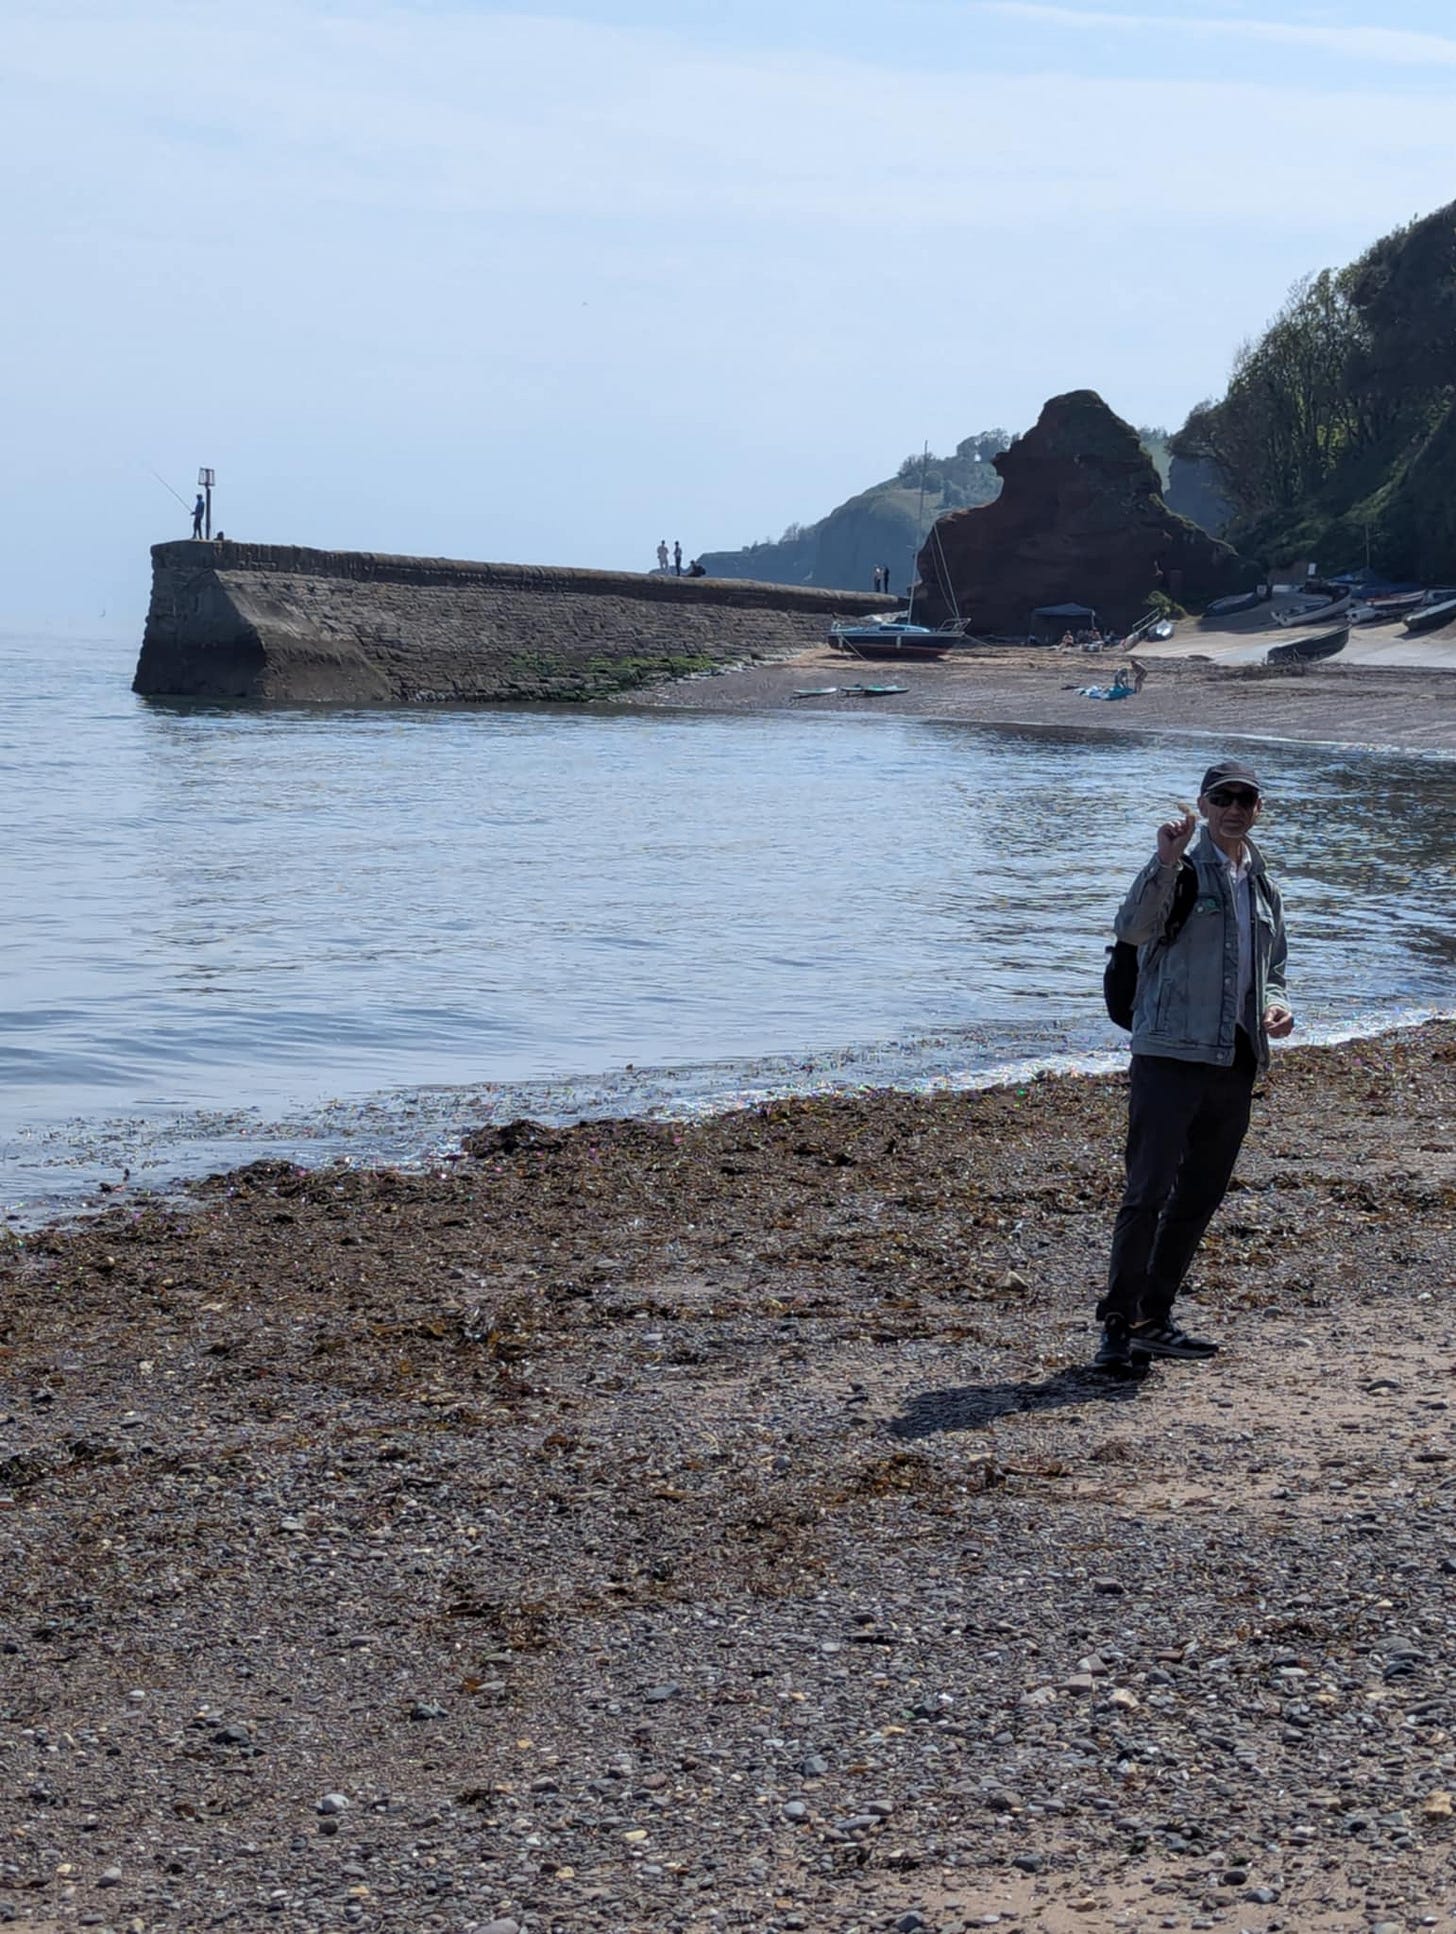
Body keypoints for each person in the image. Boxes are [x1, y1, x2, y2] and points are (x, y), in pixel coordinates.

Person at [1094, 759, 1293, 1373]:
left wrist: (1279, 1004)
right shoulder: (1178, 869)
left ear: (1257, 809)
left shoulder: (1261, 885)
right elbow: (1131, 929)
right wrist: (1163, 861)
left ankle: (1155, 1318)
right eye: (1223, 798)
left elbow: (1275, 968)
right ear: (1203, 806)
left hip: (1235, 1063)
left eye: (1245, 799)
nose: (1235, 807)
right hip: (1169, 1056)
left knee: (1198, 1196)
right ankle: (1117, 1330)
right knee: (1146, 1194)